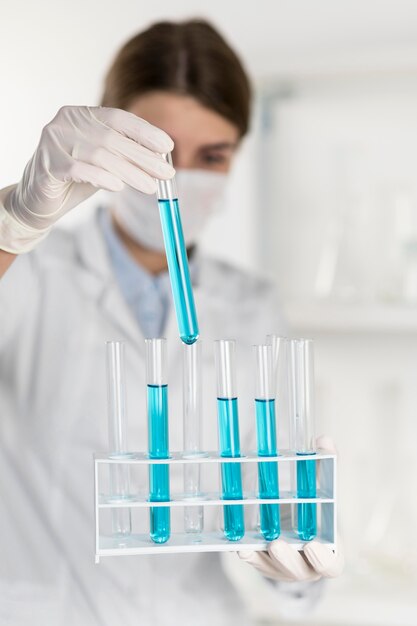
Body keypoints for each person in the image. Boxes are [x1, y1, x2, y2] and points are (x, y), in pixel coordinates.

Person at [0, 20, 342, 626]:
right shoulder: (30, 271)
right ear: (107, 141)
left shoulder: (253, 306)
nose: (178, 179)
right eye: (157, 153)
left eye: (212, 157)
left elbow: (287, 525)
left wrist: (294, 572)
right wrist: (14, 223)